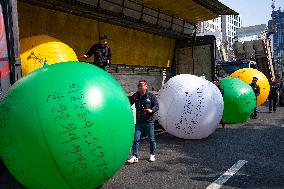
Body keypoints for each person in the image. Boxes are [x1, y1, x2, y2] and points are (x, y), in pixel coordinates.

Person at [127, 80, 159, 164]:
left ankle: (152, 154)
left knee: (151, 139)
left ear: (146, 86)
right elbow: (128, 103)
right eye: (138, 86)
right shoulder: (135, 95)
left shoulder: (151, 96)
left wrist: (151, 110)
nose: (140, 87)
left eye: (141, 85)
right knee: (136, 139)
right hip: (139, 122)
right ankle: (135, 156)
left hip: (149, 122)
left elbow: (156, 106)